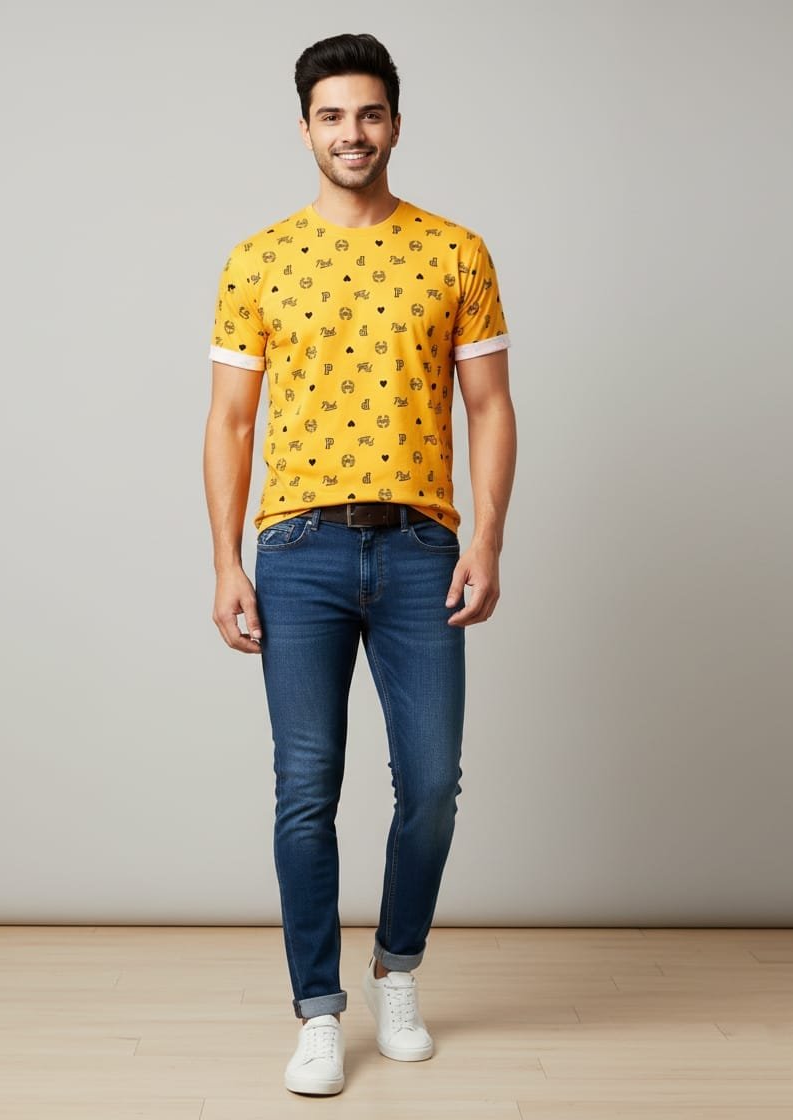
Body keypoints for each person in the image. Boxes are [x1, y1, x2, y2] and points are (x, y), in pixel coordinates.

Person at [203, 32, 516, 1096]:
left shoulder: (456, 252)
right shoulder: (257, 259)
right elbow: (229, 423)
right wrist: (225, 562)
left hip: (423, 546)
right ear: (305, 129)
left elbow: (490, 407)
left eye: (369, 113)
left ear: (395, 123)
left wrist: (486, 539)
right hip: (297, 551)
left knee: (430, 785)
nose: (352, 132)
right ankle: (317, 1010)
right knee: (306, 787)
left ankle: (396, 968)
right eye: (332, 116)